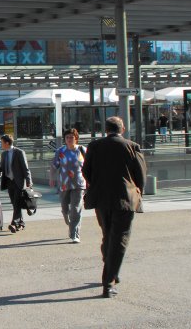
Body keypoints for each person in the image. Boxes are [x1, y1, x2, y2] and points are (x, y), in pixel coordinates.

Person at [82, 116, 147, 299]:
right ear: (122, 129)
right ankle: (109, 282)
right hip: (124, 199)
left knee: (108, 235)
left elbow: (86, 171)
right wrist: (138, 191)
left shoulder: (94, 146)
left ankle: (111, 266)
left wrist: (96, 183)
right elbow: (140, 174)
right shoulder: (132, 146)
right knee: (120, 240)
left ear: (106, 128)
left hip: (101, 198)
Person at [52, 128, 87, 243]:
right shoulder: (60, 151)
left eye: (72, 137)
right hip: (64, 184)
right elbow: (54, 166)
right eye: (67, 137)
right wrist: (52, 178)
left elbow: (89, 166)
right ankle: (69, 221)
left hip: (79, 183)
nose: (69, 139)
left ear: (76, 138)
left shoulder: (82, 150)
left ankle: (75, 234)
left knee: (76, 209)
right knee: (65, 208)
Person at [0, 134, 32, 233]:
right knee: (15, 203)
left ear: (7, 143)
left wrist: (29, 181)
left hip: (19, 182)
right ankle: (21, 223)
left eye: (2, 142)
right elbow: (2, 167)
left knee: (17, 202)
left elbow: (25, 168)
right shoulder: (4, 154)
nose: (1, 144)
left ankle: (14, 223)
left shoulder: (19, 152)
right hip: (9, 182)